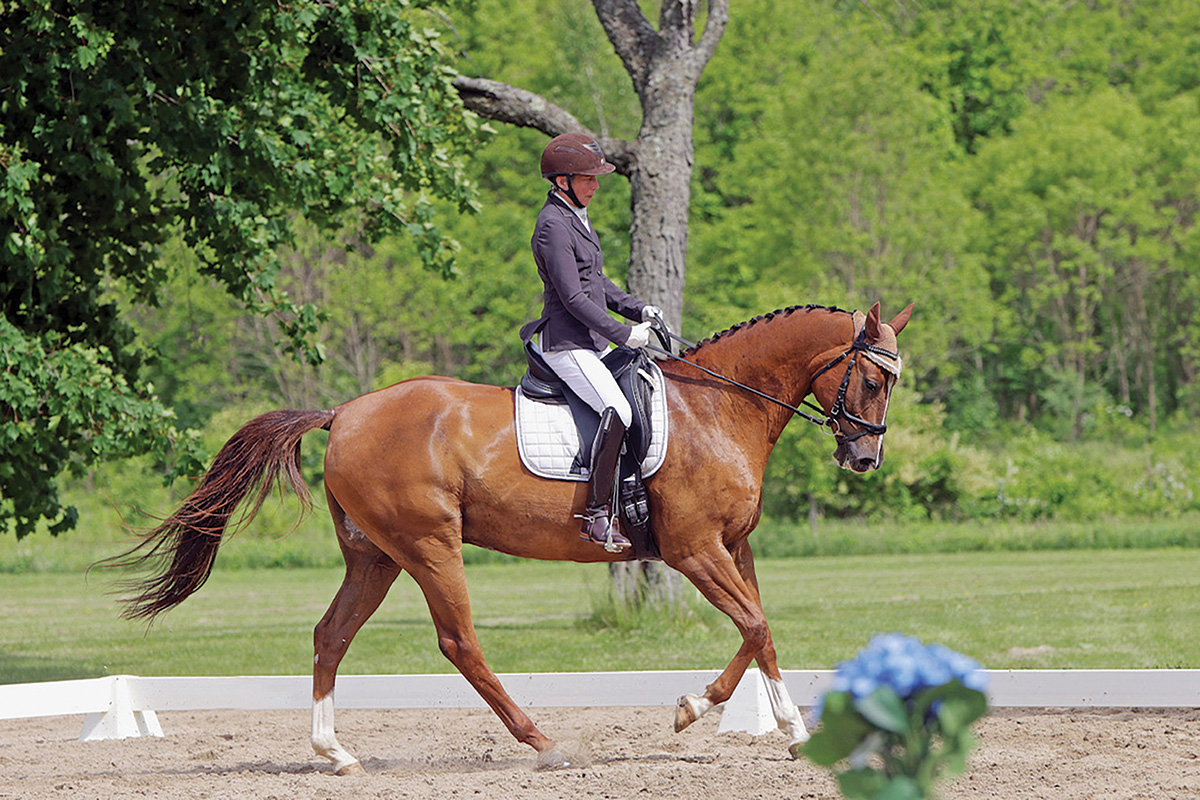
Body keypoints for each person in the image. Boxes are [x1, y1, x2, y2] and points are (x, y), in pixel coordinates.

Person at [520, 132, 663, 552]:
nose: (596, 186)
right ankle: (597, 515)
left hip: (592, 340)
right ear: (563, 180)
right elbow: (574, 297)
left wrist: (638, 310)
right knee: (616, 408)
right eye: (588, 179)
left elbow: (596, 281)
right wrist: (625, 334)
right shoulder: (552, 225)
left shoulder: (575, 215)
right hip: (568, 342)